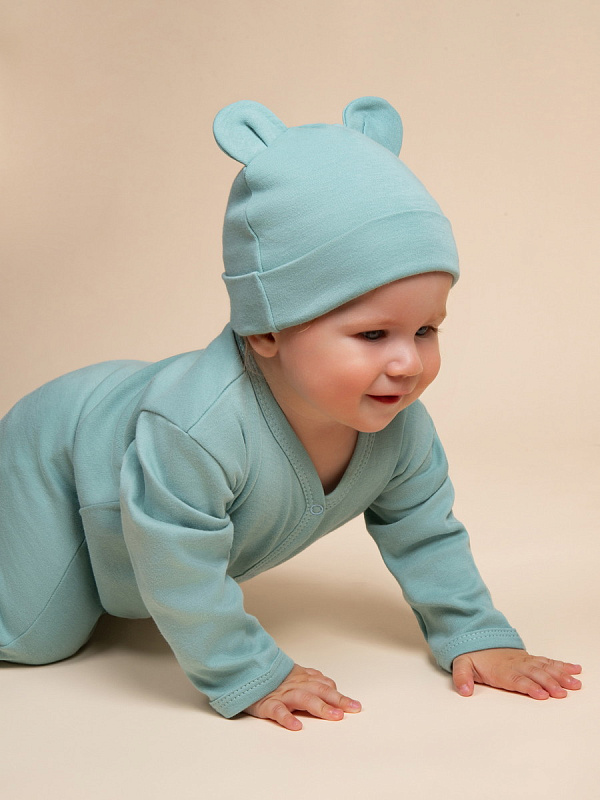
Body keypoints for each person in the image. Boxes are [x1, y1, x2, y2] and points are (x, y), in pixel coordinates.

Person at [0, 97, 581, 731]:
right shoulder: (197, 429)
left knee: (126, 592)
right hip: (59, 458)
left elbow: (426, 532)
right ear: (266, 329)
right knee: (33, 637)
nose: (408, 362)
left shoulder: (399, 428)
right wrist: (250, 669)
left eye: (425, 330)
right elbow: (180, 560)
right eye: (373, 334)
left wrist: (477, 634)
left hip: (131, 458)